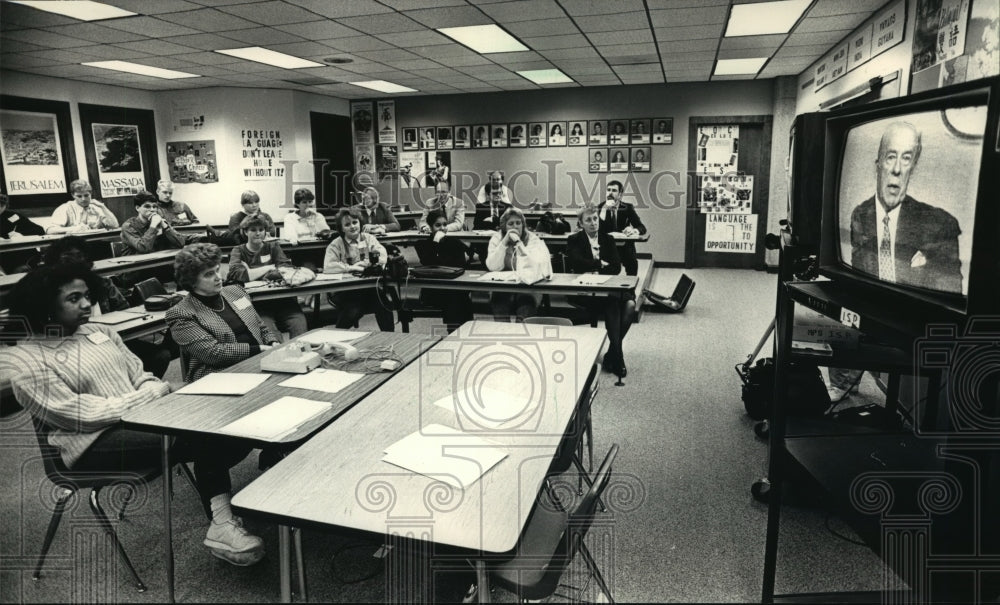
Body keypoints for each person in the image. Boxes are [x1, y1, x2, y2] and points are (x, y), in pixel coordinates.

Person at [1, 263, 264, 566]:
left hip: (142, 417)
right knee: (204, 434)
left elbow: (142, 376)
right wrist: (152, 395)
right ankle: (221, 523)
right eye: (73, 299)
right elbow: (82, 415)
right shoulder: (28, 361)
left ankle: (228, 506)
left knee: (225, 417)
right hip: (90, 443)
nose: (86, 304)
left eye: (87, 296)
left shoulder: (99, 331)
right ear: (44, 305)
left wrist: (151, 392)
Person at [849, 121, 962, 293]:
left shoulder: (941, 225)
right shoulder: (860, 216)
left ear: (913, 168)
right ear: (878, 165)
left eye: (906, 158)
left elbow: (948, 295)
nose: (897, 169)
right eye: (891, 157)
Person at [42, 235, 177, 378]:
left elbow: (123, 308)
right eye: (69, 259)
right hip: (73, 346)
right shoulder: (49, 292)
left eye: (80, 258)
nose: (76, 263)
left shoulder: (102, 283)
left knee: (159, 355)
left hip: (110, 338)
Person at [167, 243, 281, 382]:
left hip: (258, 362)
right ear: (192, 281)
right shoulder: (181, 313)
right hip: (216, 375)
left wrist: (272, 342)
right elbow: (213, 353)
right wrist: (259, 349)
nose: (218, 277)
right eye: (209, 274)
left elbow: (261, 327)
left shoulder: (236, 291)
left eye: (217, 270)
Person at [565, 205, 635, 377]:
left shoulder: (607, 239)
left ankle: (613, 351)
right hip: (584, 290)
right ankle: (617, 356)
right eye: (588, 220)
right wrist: (599, 263)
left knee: (630, 305)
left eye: (595, 218)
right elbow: (576, 263)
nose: (593, 223)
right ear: (581, 223)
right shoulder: (574, 240)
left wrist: (593, 267)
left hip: (607, 286)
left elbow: (616, 267)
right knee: (613, 304)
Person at [226, 217, 307, 338]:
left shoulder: (273, 246)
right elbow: (237, 274)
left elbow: (286, 269)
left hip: (283, 299)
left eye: (261, 229)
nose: (258, 233)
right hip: (257, 303)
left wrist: (251, 272)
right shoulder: (238, 250)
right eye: (253, 230)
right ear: (245, 232)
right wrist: (269, 268)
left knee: (300, 326)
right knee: (271, 336)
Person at [323, 208, 395, 331]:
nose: (352, 226)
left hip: (368, 287)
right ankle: (337, 334)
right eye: (347, 224)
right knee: (354, 310)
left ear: (360, 223)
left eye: (355, 222)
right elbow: (328, 267)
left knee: (384, 304)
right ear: (341, 228)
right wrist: (351, 267)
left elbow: (382, 255)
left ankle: (390, 337)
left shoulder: (369, 238)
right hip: (345, 290)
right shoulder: (335, 244)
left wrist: (369, 264)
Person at [485, 208, 552, 322]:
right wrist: (504, 242)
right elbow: (492, 266)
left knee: (525, 307)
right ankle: (502, 332)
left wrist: (519, 243)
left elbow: (532, 265)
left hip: (528, 286)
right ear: (504, 227)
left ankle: (522, 332)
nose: (515, 227)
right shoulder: (497, 238)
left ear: (523, 225)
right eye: (510, 224)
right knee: (499, 305)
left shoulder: (533, 239)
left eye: (518, 223)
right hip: (504, 286)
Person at [413, 210, 472, 333]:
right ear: (430, 227)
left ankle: (464, 331)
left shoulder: (454, 242)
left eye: (445, 225)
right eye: (438, 225)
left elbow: (461, 265)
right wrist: (436, 242)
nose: (442, 228)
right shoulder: (422, 244)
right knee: (454, 299)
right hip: (434, 288)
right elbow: (428, 262)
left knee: (459, 297)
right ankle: (453, 333)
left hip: (453, 286)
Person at [120, 190, 190, 255]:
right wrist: (153, 226)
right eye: (147, 206)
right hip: (134, 262)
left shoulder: (160, 220)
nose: (152, 210)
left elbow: (180, 243)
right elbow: (143, 248)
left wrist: (165, 227)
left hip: (156, 259)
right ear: (137, 208)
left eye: (154, 207)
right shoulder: (128, 226)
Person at [599, 180, 647, 276]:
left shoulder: (627, 207)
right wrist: (604, 210)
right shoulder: (601, 207)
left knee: (632, 263)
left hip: (624, 247)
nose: (610, 193)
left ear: (620, 195)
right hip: (607, 247)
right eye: (608, 190)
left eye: (614, 190)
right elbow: (597, 229)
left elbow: (641, 227)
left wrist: (633, 230)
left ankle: (630, 285)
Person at [46, 179, 119, 234]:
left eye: (86, 195)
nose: (83, 199)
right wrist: (74, 229)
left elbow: (115, 225)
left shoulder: (96, 207)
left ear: (91, 194)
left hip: (95, 242)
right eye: (79, 196)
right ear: (73, 195)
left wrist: (103, 207)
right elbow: (50, 230)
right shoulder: (65, 208)